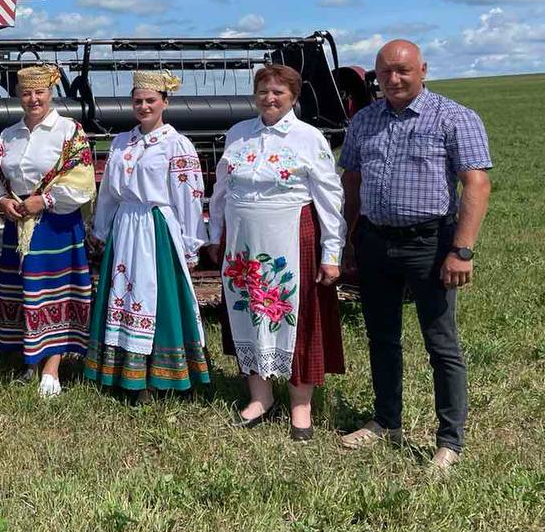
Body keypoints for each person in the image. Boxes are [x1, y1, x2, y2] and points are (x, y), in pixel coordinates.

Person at [338, 39, 491, 472]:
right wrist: (347, 239)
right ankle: (386, 421)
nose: (393, 79)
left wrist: (461, 250)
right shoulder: (364, 120)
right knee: (381, 337)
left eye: (402, 70)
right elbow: (352, 180)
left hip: (430, 244)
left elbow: (476, 184)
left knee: (441, 343)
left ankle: (449, 440)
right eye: (384, 72)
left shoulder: (453, 117)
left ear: (422, 70)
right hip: (374, 242)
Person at [206, 64, 346, 440]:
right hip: (242, 244)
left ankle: (301, 406)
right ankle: (260, 397)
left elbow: (330, 197)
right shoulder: (238, 134)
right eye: (263, 91)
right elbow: (221, 191)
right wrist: (215, 235)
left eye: (278, 92)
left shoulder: (308, 138)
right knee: (249, 313)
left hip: (292, 240)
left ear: (293, 97)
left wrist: (331, 253)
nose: (269, 98)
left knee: (296, 317)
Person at [84, 70, 210, 397]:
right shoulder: (121, 142)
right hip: (124, 226)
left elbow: (189, 197)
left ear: (164, 102)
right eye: (138, 101)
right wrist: (101, 228)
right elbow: (109, 191)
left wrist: (190, 243)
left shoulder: (176, 144)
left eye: (150, 100)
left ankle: (161, 376)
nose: (144, 106)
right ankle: (122, 373)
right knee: (122, 295)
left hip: (156, 229)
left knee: (156, 296)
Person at [0, 65, 95, 397]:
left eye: (39, 92)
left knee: (55, 293)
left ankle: (52, 368)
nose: (33, 99)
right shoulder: (8, 135)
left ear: (50, 92)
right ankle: (31, 360)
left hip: (55, 224)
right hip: (19, 224)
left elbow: (82, 180)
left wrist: (45, 200)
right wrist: (2, 201)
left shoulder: (69, 131)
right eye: (26, 93)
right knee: (25, 292)